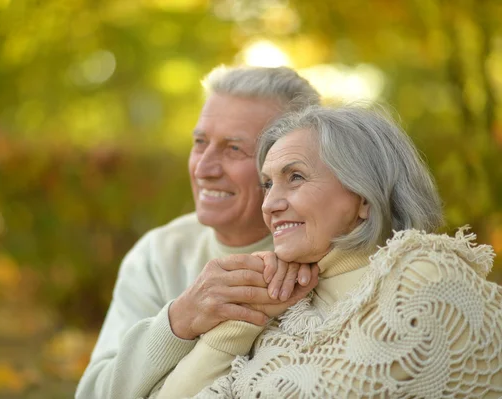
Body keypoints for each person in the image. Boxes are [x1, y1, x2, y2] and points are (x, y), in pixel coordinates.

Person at [152, 104, 502, 398]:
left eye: (296, 178)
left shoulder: (421, 277)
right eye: (268, 183)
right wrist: (245, 316)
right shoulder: (288, 303)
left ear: (363, 197)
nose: (270, 204)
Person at [75, 66, 321, 399]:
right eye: (200, 142)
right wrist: (179, 320)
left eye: (234, 149)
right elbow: (93, 393)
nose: (203, 168)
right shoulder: (159, 254)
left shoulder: (331, 255)